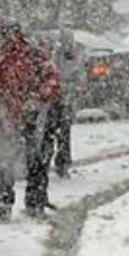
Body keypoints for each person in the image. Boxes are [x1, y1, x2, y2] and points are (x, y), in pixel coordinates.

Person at [0, 22, 60, 220]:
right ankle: (6, 200)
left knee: (35, 160)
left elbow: (52, 80)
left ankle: (31, 201)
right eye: (6, 34)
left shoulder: (34, 55)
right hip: (8, 118)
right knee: (6, 161)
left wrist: (37, 99)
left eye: (12, 33)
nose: (9, 38)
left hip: (32, 118)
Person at [49, 29, 82, 178]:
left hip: (63, 100)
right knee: (59, 133)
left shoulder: (72, 55)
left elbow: (78, 75)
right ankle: (61, 161)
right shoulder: (56, 54)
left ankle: (62, 162)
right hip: (57, 99)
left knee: (62, 133)